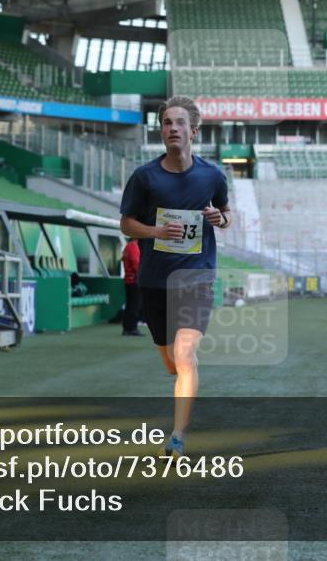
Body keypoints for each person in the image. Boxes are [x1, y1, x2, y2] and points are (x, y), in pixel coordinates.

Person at [119, 95, 232, 459]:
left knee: (185, 354)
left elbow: (226, 214)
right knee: (171, 360)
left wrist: (220, 218)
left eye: (179, 122)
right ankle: (180, 374)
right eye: (166, 122)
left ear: (193, 131)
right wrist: (154, 233)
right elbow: (125, 225)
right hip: (154, 282)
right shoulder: (145, 177)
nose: (172, 128)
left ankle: (178, 436)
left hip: (196, 279)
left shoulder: (212, 175)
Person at [121, 237, 142, 336]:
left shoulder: (127, 247)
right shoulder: (134, 247)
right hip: (134, 281)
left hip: (128, 280)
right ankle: (132, 328)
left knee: (129, 305)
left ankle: (127, 328)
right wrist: (140, 278)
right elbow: (136, 264)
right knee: (134, 305)